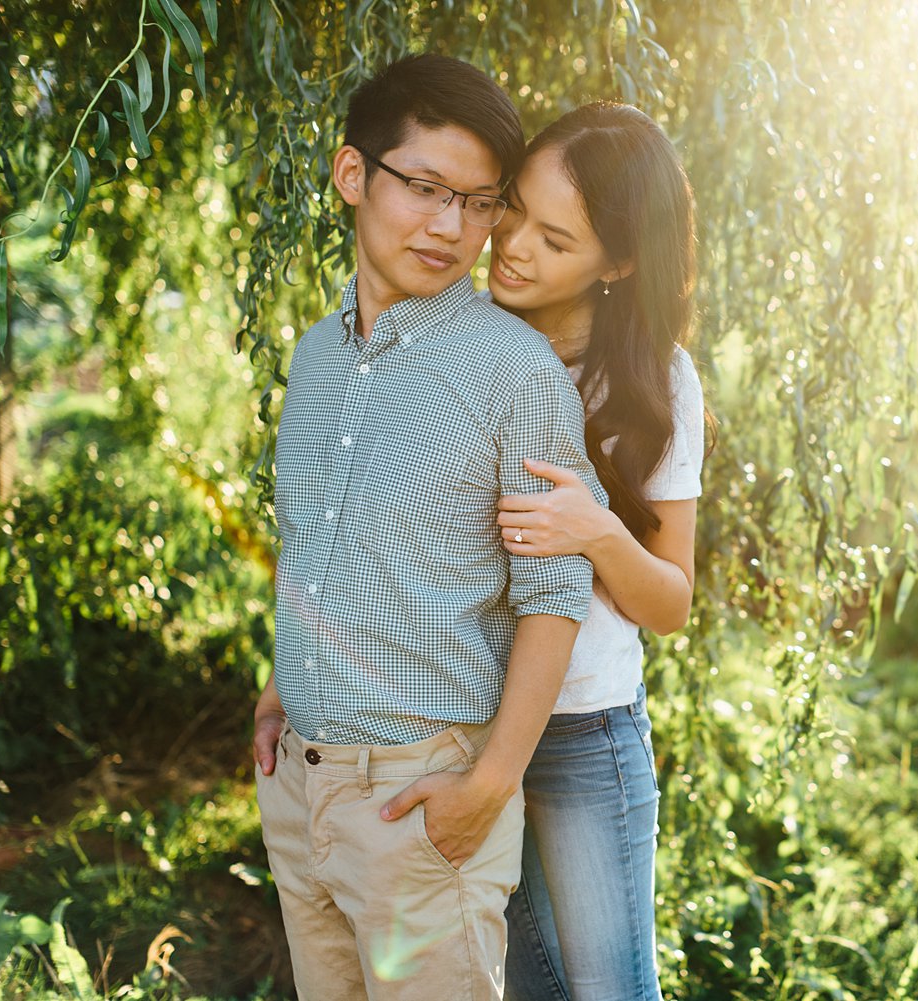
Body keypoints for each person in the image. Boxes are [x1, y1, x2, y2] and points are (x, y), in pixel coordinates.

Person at [250, 55, 605, 1001]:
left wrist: (490, 784)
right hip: (299, 789)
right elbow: (314, 534)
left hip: (421, 799)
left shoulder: (514, 372)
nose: (452, 228)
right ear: (353, 175)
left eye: (480, 203)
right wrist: (284, 680)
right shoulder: (316, 356)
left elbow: (555, 593)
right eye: (427, 189)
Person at [485, 103, 705, 1001]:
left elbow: (671, 602)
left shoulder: (654, 383)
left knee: (608, 991)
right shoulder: (458, 345)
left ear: (616, 263)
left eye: (554, 238)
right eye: (512, 210)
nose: (513, 247)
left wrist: (598, 530)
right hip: (466, 725)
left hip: (582, 733)